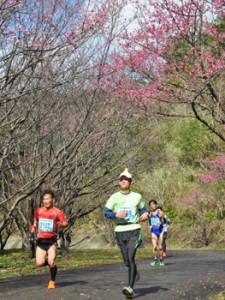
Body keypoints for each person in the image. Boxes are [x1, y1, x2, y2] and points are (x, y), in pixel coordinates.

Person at [104, 168, 149, 299]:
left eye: (126, 179)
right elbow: (106, 212)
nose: (123, 181)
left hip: (134, 229)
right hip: (119, 231)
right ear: (119, 182)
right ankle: (133, 272)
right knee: (127, 262)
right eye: (121, 179)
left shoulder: (137, 196)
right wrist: (115, 214)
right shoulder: (114, 197)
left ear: (131, 182)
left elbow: (142, 209)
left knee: (131, 257)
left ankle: (129, 288)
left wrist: (144, 214)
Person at [30, 189, 68, 289]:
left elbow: (65, 223)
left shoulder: (57, 212)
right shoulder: (39, 211)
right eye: (44, 199)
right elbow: (35, 220)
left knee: (51, 261)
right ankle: (51, 266)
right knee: (39, 263)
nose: (46, 201)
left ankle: (52, 281)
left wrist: (61, 224)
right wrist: (34, 226)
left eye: (48, 199)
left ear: (53, 200)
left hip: (52, 240)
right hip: (41, 240)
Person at [148, 199, 165, 266]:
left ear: (156, 205)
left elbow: (165, 220)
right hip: (153, 231)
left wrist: (161, 222)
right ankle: (155, 259)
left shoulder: (160, 212)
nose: (152, 206)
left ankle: (161, 259)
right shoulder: (150, 213)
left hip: (160, 230)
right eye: (151, 205)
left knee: (160, 247)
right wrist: (149, 226)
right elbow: (149, 221)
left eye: (153, 204)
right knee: (154, 247)